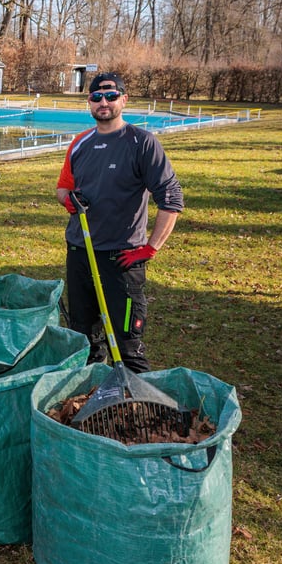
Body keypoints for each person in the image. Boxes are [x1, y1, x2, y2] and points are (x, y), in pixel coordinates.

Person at [55, 72, 183, 372]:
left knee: (126, 345)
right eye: (97, 96)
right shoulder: (80, 143)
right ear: (89, 102)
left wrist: (150, 248)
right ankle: (89, 391)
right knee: (83, 338)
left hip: (122, 257)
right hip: (80, 252)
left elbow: (171, 198)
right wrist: (69, 201)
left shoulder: (142, 143)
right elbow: (63, 188)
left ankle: (135, 396)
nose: (104, 102)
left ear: (124, 100)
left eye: (111, 96)